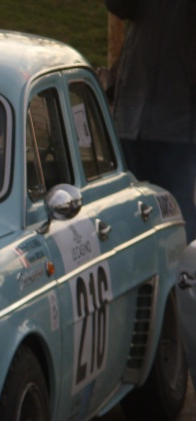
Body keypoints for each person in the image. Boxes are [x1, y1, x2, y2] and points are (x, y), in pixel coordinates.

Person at [105, 0, 196, 241]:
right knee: (130, 209)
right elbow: (118, 6)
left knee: (176, 211)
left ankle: (184, 274)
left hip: (177, 122)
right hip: (133, 114)